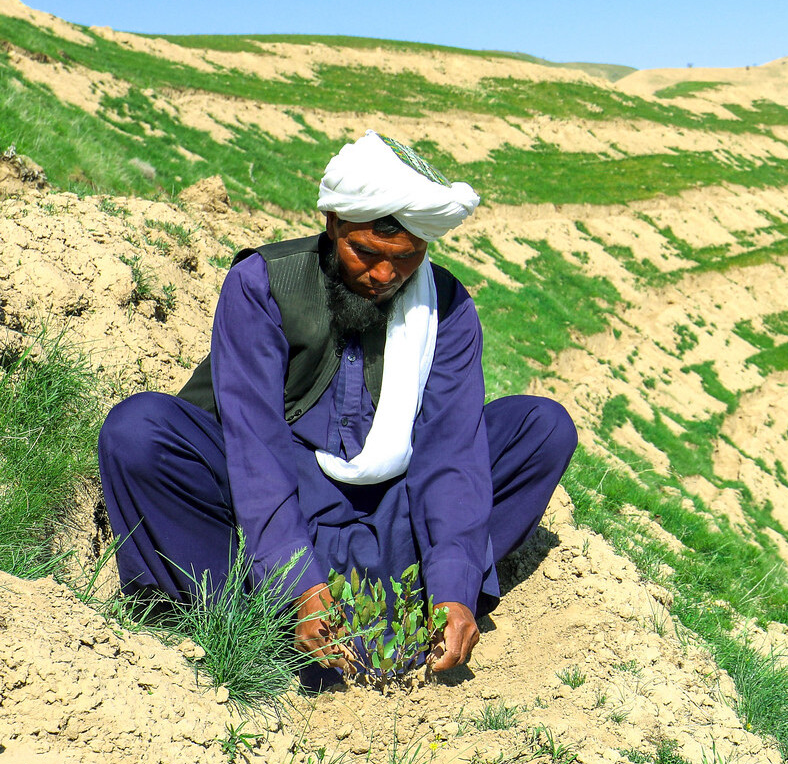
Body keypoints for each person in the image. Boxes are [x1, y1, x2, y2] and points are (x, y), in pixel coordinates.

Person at [96, 131, 576, 676]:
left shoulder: (447, 308)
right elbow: (255, 446)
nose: (385, 275)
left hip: (393, 505)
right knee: (138, 432)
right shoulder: (263, 285)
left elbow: (451, 454)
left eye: (406, 257)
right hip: (273, 493)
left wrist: (454, 587)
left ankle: (417, 605)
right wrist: (296, 582)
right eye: (365, 252)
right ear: (333, 224)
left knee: (542, 429)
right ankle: (249, 620)